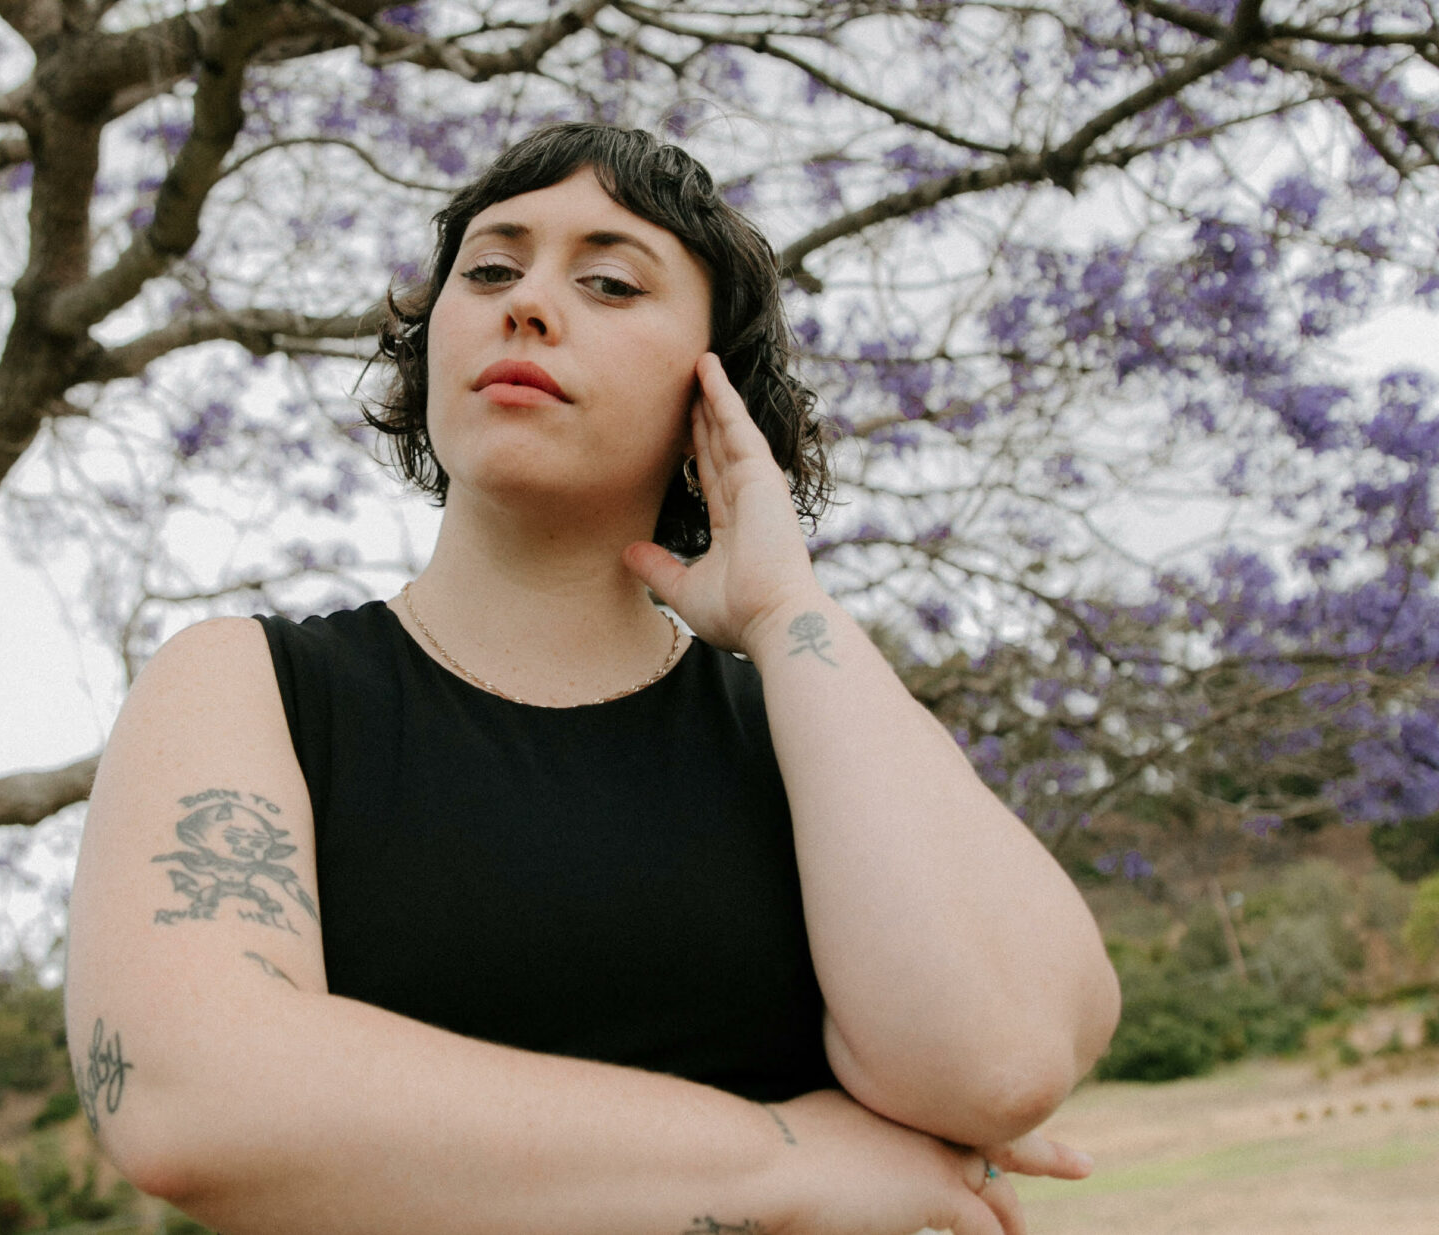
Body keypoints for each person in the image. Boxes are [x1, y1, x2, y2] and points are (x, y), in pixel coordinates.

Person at [64, 123, 1121, 1235]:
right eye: (488, 269)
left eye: (611, 281)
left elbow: (994, 1062)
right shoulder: (249, 686)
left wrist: (785, 611)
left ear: (716, 397)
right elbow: (191, 1095)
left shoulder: (811, 733)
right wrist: (784, 1161)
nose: (525, 303)